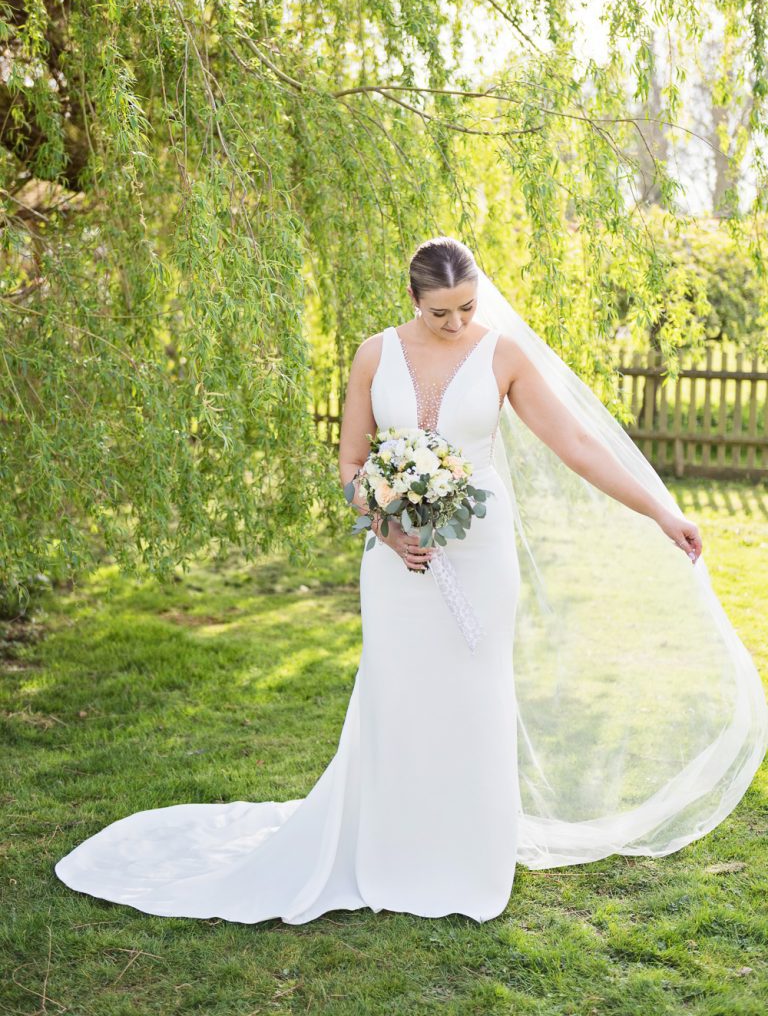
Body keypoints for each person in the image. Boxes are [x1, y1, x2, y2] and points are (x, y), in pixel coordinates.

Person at [54, 237, 768, 924]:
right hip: (392, 559)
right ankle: (391, 853)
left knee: (474, 693)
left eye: (467, 307)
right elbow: (349, 465)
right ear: (413, 300)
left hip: (480, 554)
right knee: (397, 694)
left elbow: (577, 444)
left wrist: (661, 511)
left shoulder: (504, 354)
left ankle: (468, 859)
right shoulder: (375, 354)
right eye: (441, 312)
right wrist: (383, 524)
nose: (457, 323)